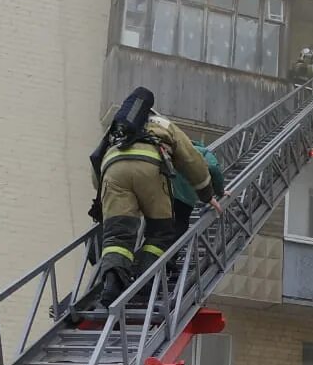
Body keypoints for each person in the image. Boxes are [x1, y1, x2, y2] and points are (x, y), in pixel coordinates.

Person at [88, 87, 220, 307]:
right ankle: (146, 283)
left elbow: (96, 171)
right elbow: (192, 161)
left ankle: (112, 286)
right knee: (160, 232)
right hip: (149, 169)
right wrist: (207, 195)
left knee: (117, 238)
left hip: (113, 171)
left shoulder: (113, 131)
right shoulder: (163, 125)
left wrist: (107, 197)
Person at [171, 141, 227, 239]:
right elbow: (214, 170)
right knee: (181, 224)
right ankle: (171, 252)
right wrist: (220, 192)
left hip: (172, 190)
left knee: (167, 222)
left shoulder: (182, 151)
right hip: (187, 195)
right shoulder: (207, 155)